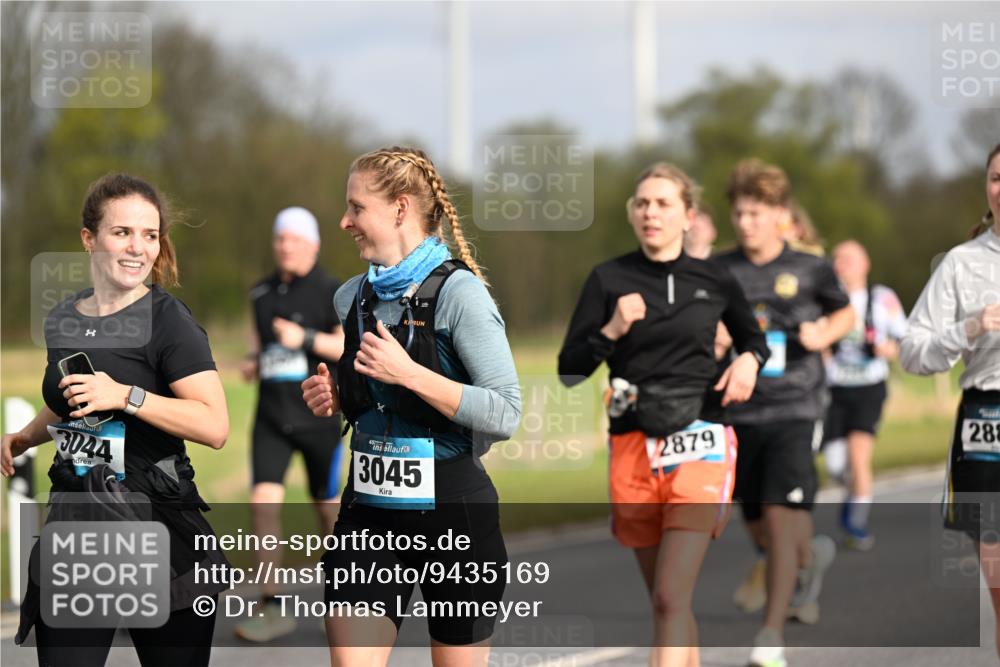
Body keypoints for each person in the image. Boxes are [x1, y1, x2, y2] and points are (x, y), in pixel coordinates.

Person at [299, 147, 521, 667]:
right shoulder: (351, 298)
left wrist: (410, 374)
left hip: (455, 513)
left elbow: (505, 410)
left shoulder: (460, 295)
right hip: (369, 512)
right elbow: (373, 392)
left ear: (400, 209)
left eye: (356, 207)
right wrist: (338, 396)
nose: (344, 221)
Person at [1, 173, 229, 667]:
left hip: (158, 534)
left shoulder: (168, 321)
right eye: (121, 232)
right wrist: (24, 436)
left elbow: (214, 425)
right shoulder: (62, 318)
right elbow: (71, 402)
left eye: (149, 235)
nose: (137, 247)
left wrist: (125, 395)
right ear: (89, 239)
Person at [558, 162, 769, 667]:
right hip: (633, 446)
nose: (651, 212)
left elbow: (754, 339)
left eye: (663, 203)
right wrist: (611, 329)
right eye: (642, 203)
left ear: (688, 216)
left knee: (670, 598)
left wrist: (748, 361)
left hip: (701, 437)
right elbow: (569, 370)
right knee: (666, 603)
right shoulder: (608, 278)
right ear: (633, 214)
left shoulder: (716, 278)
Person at [714, 159, 855, 667]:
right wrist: (717, 338)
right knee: (754, 521)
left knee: (778, 514)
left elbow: (845, 310)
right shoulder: (720, 268)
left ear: (779, 214)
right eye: (740, 213)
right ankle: (809, 558)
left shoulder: (810, 267)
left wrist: (826, 332)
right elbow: (705, 328)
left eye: (757, 212)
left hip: (797, 405)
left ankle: (771, 633)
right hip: (740, 410)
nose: (747, 222)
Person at [900, 143, 1000, 660]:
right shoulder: (961, 265)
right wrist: (969, 327)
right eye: (997, 177)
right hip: (987, 419)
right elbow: (912, 353)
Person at [235, 206, 346, 642]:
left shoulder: (332, 290)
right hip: (272, 418)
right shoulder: (260, 292)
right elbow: (257, 343)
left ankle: (345, 600)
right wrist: (250, 361)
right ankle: (273, 605)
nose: (284, 246)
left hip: (319, 417)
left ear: (313, 244)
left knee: (328, 512)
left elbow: (345, 347)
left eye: (294, 239)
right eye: (280, 239)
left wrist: (307, 340)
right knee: (263, 505)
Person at [822, 240, 908, 550]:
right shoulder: (825, 297)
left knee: (859, 456)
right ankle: (852, 493)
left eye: (848, 259)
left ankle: (854, 524)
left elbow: (903, 339)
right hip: (833, 388)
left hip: (869, 387)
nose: (841, 264)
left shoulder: (881, 298)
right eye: (837, 259)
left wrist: (889, 349)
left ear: (865, 263)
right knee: (834, 462)